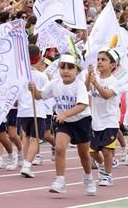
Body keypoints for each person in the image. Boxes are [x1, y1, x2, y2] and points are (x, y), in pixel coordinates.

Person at [32, 53, 95, 196]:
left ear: (77, 71)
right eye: (62, 67)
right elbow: (39, 96)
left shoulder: (79, 86)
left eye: (70, 68)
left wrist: (65, 114)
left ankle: (88, 177)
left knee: (84, 154)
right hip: (64, 122)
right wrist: (34, 89)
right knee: (60, 148)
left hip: (81, 120)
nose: (65, 71)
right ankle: (60, 181)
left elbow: (82, 105)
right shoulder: (54, 83)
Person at [87, 48, 124, 187]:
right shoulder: (93, 77)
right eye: (98, 59)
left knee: (107, 150)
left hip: (110, 120)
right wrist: (89, 76)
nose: (100, 62)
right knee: (93, 152)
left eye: (104, 60)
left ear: (112, 65)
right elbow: (85, 89)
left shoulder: (115, 81)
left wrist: (95, 83)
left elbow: (107, 95)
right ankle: (102, 165)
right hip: (95, 120)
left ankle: (107, 176)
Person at [17, 45, 49, 178]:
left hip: (23, 111)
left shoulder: (20, 75)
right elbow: (46, 93)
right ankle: (27, 165)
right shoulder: (41, 76)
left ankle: (26, 162)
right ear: (38, 58)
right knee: (35, 140)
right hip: (37, 111)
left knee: (26, 138)